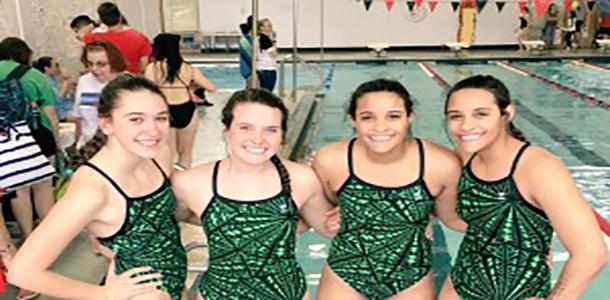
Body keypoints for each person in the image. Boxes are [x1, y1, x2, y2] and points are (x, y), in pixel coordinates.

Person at [8, 74, 187, 300]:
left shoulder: (157, 155)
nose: (153, 131)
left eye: (161, 118)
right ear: (106, 124)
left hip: (174, 283)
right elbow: (22, 272)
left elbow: (158, 218)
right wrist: (103, 294)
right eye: (136, 119)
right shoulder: (93, 190)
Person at [438, 75, 607, 299]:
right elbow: (471, 220)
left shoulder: (539, 168)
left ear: (507, 113)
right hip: (459, 287)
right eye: (455, 116)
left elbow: (591, 253)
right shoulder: (466, 157)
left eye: (481, 114)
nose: (466, 126)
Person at [171, 88, 337, 299]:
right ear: (226, 129)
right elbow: (154, 234)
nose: (258, 139)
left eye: (271, 129)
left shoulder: (301, 179)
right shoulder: (190, 183)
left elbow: (330, 228)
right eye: (245, 128)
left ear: (282, 135)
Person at [314, 79, 466, 299]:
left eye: (393, 116)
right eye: (368, 117)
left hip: (411, 278)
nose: (380, 127)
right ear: (353, 120)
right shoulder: (332, 160)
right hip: (345, 273)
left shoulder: (440, 163)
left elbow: (450, 217)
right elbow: (327, 206)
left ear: (409, 117)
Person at [145, 33, 217, 169]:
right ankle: (185, 181)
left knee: (168, 154)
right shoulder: (188, 68)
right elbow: (211, 87)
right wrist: (192, 86)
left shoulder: (153, 68)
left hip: (164, 112)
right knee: (186, 153)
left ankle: (169, 183)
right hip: (187, 110)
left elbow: (146, 90)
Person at [72, 40, 126, 147]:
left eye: (101, 64)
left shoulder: (128, 83)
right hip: (88, 144)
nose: (94, 69)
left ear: (114, 62)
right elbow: (79, 117)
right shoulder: (84, 81)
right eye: (90, 64)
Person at [84, 2, 152, 74]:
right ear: (120, 17)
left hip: (104, 80)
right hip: (131, 80)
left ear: (101, 21)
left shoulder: (93, 38)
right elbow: (144, 66)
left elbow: (87, 60)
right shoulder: (140, 38)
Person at [257, 18, 278, 92]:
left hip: (263, 68)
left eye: (270, 26)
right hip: (267, 70)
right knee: (267, 93)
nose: (270, 28)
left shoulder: (260, 37)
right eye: (268, 26)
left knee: (264, 93)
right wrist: (274, 40)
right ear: (261, 27)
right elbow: (274, 54)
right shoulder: (265, 39)